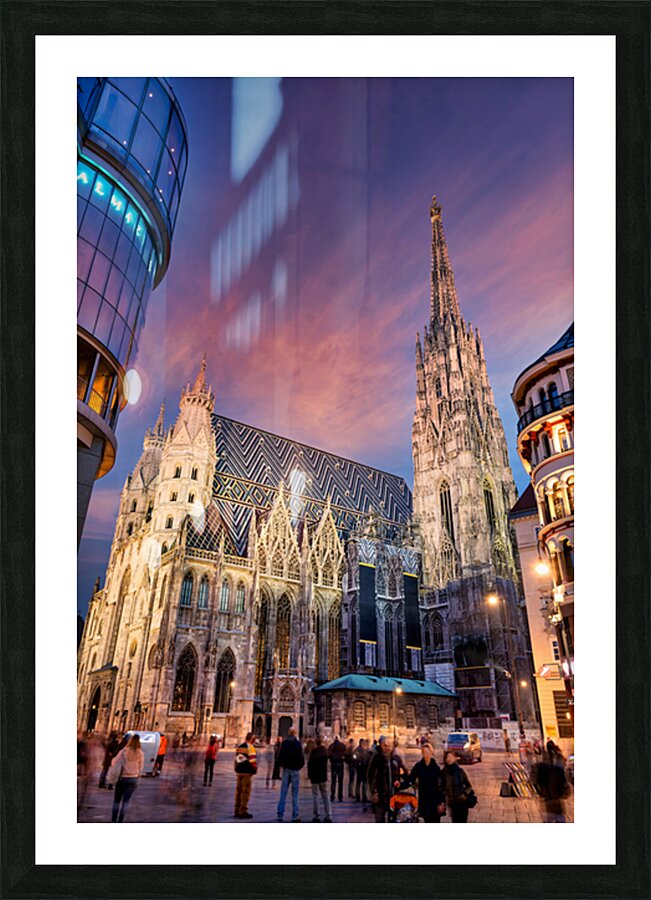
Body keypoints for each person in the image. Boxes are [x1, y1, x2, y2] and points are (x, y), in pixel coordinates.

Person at [109, 733, 144, 822]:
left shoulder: (124, 751)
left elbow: (113, 762)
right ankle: (121, 820)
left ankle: (114, 820)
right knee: (126, 802)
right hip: (133, 778)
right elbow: (141, 769)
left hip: (122, 778)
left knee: (117, 801)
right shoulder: (141, 753)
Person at [410, 742, 445, 823]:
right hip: (424, 799)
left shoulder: (436, 768)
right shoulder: (418, 766)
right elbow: (411, 778)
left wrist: (441, 802)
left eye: (428, 752)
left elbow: (440, 786)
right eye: (425, 752)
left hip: (435, 799)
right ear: (422, 753)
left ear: (431, 752)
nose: (427, 754)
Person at [276, 727, 305, 822]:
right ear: (295, 733)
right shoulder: (298, 744)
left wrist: (282, 765)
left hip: (286, 769)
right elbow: (302, 758)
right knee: (295, 794)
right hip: (295, 770)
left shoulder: (284, 743)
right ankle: (295, 815)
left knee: (283, 792)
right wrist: (298, 767)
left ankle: (280, 814)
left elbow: (279, 756)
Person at [535, 756, 570, 823]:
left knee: (549, 818)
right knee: (558, 817)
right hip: (556, 801)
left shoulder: (542, 769)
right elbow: (564, 785)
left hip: (547, 801)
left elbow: (538, 783)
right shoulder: (559, 770)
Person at [367, 735, 393, 822]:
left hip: (392, 796)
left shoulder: (393, 758)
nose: (387, 748)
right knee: (379, 819)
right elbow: (371, 776)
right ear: (381, 745)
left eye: (389, 745)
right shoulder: (376, 758)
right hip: (380, 795)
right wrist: (374, 792)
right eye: (385, 745)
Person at [443, 751, 474, 823]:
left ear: (454, 758)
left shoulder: (460, 771)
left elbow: (469, 786)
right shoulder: (443, 772)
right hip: (452, 803)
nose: (449, 759)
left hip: (462, 802)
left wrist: (464, 795)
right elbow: (442, 788)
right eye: (447, 757)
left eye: (450, 757)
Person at [307, 736, 332, 822]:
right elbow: (328, 764)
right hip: (323, 777)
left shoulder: (313, 752)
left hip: (314, 777)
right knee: (326, 796)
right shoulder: (325, 752)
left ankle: (316, 816)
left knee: (315, 796)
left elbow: (309, 765)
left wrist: (309, 775)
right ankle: (328, 815)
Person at [233, 731, 257, 819]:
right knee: (245, 792)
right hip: (247, 772)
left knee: (238, 792)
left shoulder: (239, 747)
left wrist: (236, 768)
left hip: (239, 772)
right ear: (252, 739)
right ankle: (243, 811)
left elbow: (236, 759)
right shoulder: (250, 747)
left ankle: (236, 810)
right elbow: (252, 761)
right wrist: (254, 770)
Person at [328, 734, 346, 803]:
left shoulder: (331, 746)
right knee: (340, 781)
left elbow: (329, 754)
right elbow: (345, 754)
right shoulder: (342, 745)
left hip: (334, 764)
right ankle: (340, 796)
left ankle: (332, 795)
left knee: (333, 781)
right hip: (340, 764)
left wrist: (331, 760)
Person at [354, 739, 371, 806]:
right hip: (363, 768)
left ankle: (359, 795)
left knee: (360, 782)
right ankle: (362, 796)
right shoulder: (364, 750)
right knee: (363, 782)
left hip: (361, 768)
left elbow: (354, 758)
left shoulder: (358, 750)